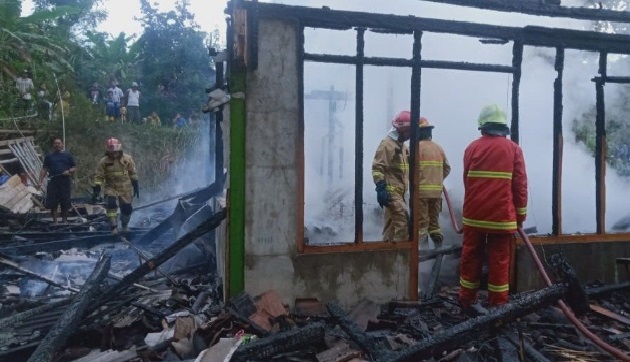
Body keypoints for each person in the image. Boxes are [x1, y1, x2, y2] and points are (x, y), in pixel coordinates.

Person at [458, 104, 528, 310]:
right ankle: (497, 303)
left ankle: (466, 299)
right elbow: (520, 185)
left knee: (470, 255)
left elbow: (466, 181)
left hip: (474, 215)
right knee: (500, 259)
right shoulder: (514, 149)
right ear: (503, 126)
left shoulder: (471, 148)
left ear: (482, 125)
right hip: (501, 217)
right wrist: (520, 216)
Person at [372, 111, 411, 242]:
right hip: (391, 191)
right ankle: (399, 258)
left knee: (391, 227)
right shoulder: (387, 145)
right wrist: (381, 187)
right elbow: (378, 167)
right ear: (402, 130)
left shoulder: (402, 146)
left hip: (400, 192)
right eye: (408, 131)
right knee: (403, 221)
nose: (410, 135)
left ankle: (385, 255)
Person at [416, 117, 451, 249]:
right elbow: (447, 168)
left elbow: (408, 170)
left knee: (421, 225)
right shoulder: (439, 148)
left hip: (421, 194)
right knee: (434, 225)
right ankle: (439, 250)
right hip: (436, 193)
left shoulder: (415, 148)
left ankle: (422, 254)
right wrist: (437, 179)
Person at [93, 138, 139, 234]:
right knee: (111, 204)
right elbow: (99, 176)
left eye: (116, 152)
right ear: (107, 152)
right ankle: (113, 227)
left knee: (127, 209)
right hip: (111, 188)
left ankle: (124, 225)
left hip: (125, 188)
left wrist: (135, 185)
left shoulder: (127, 159)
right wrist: (97, 187)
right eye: (112, 153)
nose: (114, 155)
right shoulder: (104, 161)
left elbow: (133, 173)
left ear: (120, 150)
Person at [38, 138, 76, 225]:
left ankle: (64, 220)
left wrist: (69, 171)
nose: (57, 145)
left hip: (65, 182)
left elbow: (74, 167)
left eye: (59, 143)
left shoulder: (67, 155)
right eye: (55, 143)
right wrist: (40, 181)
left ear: (62, 144)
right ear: (53, 145)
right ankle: (55, 221)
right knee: (53, 202)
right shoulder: (49, 156)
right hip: (53, 182)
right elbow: (44, 169)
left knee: (65, 201)